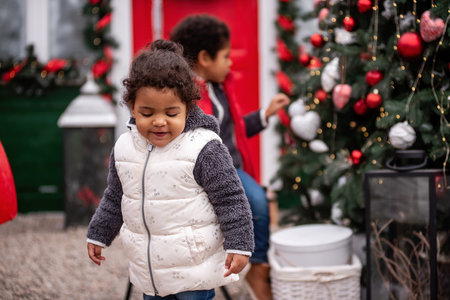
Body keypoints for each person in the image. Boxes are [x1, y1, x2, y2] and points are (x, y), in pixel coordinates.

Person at [86, 40, 254, 300]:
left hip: (194, 270)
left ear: (188, 108)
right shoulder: (125, 147)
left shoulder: (204, 148)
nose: (159, 121)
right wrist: (99, 234)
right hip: (150, 270)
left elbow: (231, 198)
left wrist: (240, 244)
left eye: (171, 113)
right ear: (132, 108)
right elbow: (115, 196)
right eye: (147, 112)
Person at [171, 14, 290, 300]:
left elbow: (232, 128)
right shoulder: (187, 96)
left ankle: (258, 267)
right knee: (258, 201)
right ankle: (257, 266)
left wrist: (265, 114)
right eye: (225, 55)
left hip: (231, 167)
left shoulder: (220, 87)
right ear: (204, 58)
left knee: (259, 201)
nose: (231, 62)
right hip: (212, 172)